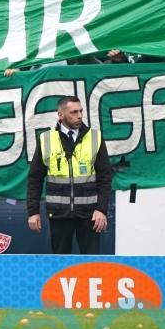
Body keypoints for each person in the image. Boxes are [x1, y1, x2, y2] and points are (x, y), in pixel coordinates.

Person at [26, 96, 112, 254]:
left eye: (81, 111)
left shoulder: (95, 137)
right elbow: (34, 179)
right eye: (74, 112)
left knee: (91, 264)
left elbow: (105, 177)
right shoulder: (46, 139)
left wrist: (101, 209)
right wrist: (33, 212)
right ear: (60, 115)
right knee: (60, 264)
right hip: (58, 214)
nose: (79, 115)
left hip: (90, 215)